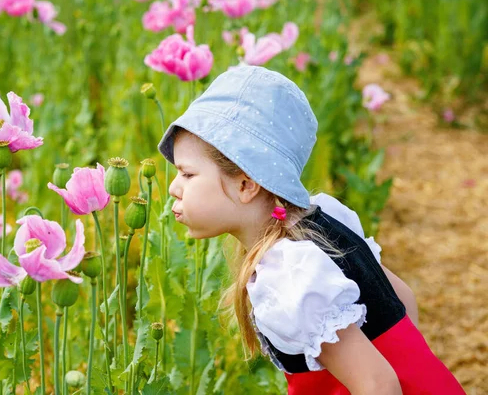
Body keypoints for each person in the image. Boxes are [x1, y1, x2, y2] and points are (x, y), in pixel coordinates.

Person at [157, 66, 466, 394]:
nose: (174, 188)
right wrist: (413, 370)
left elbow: (378, 385)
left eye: (187, 174)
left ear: (247, 184)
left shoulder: (288, 276)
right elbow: (402, 300)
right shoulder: (321, 222)